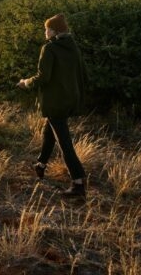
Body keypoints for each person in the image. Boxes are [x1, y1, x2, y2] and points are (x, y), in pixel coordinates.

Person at [17, 13, 88, 199]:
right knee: (49, 132)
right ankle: (40, 165)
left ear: (54, 31)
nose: (45, 32)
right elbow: (81, 73)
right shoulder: (72, 47)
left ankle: (78, 182)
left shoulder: (49, 48)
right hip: (71, 98)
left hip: (55, 101)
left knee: (64, 142)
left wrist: (26, 82)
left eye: (47, 29)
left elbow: (43, 77)